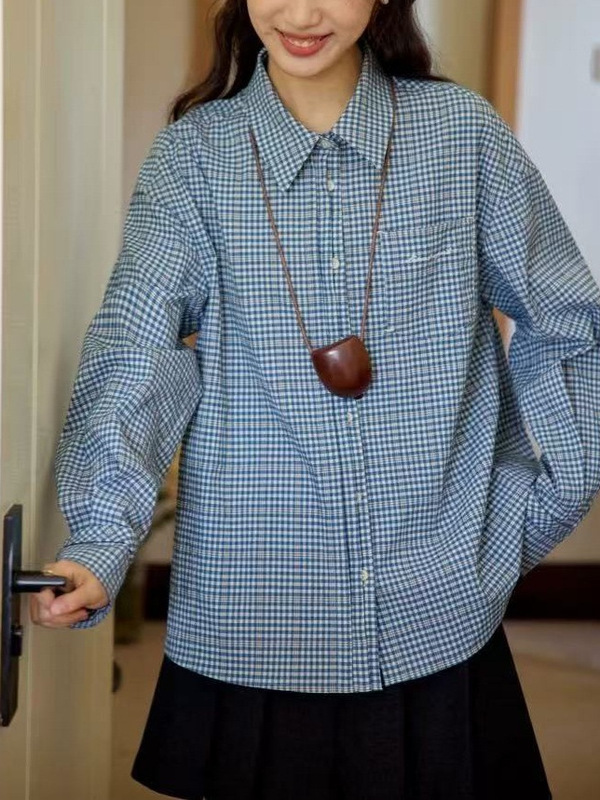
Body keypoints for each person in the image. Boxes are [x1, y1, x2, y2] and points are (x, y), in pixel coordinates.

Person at [30, 0, 600, 797]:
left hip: (440, 618)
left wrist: (549, 499)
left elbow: (569, 321)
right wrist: (100, 537)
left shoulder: (463, 137)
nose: (300, 12)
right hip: (254, 620)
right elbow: (136, 348)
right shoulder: (193, 157)